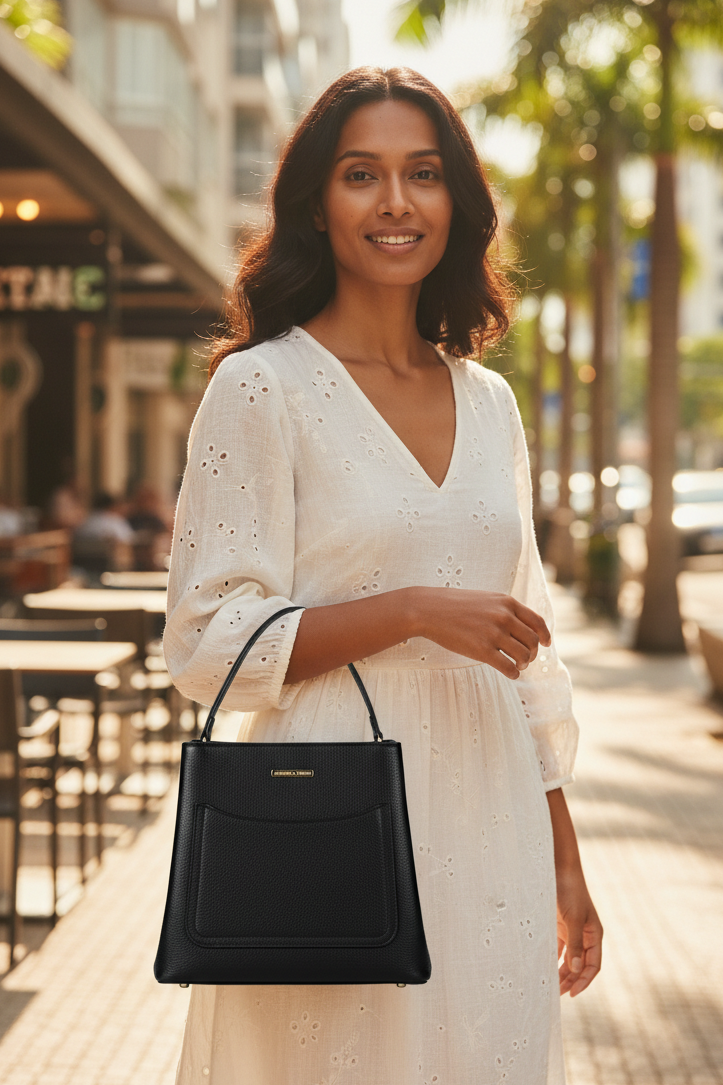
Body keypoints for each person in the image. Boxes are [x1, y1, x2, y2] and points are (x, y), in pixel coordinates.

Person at [163, 66, 602, 1085]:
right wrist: (408, 610)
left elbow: (527, 652)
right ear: (317, 202)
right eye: (363, 174)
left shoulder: (490, 402)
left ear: (459, 202)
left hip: (492, 809)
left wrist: (566, 857)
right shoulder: (261, 385)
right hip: (327, 810)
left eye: (425, 173)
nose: (397, 203)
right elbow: (202, 639)